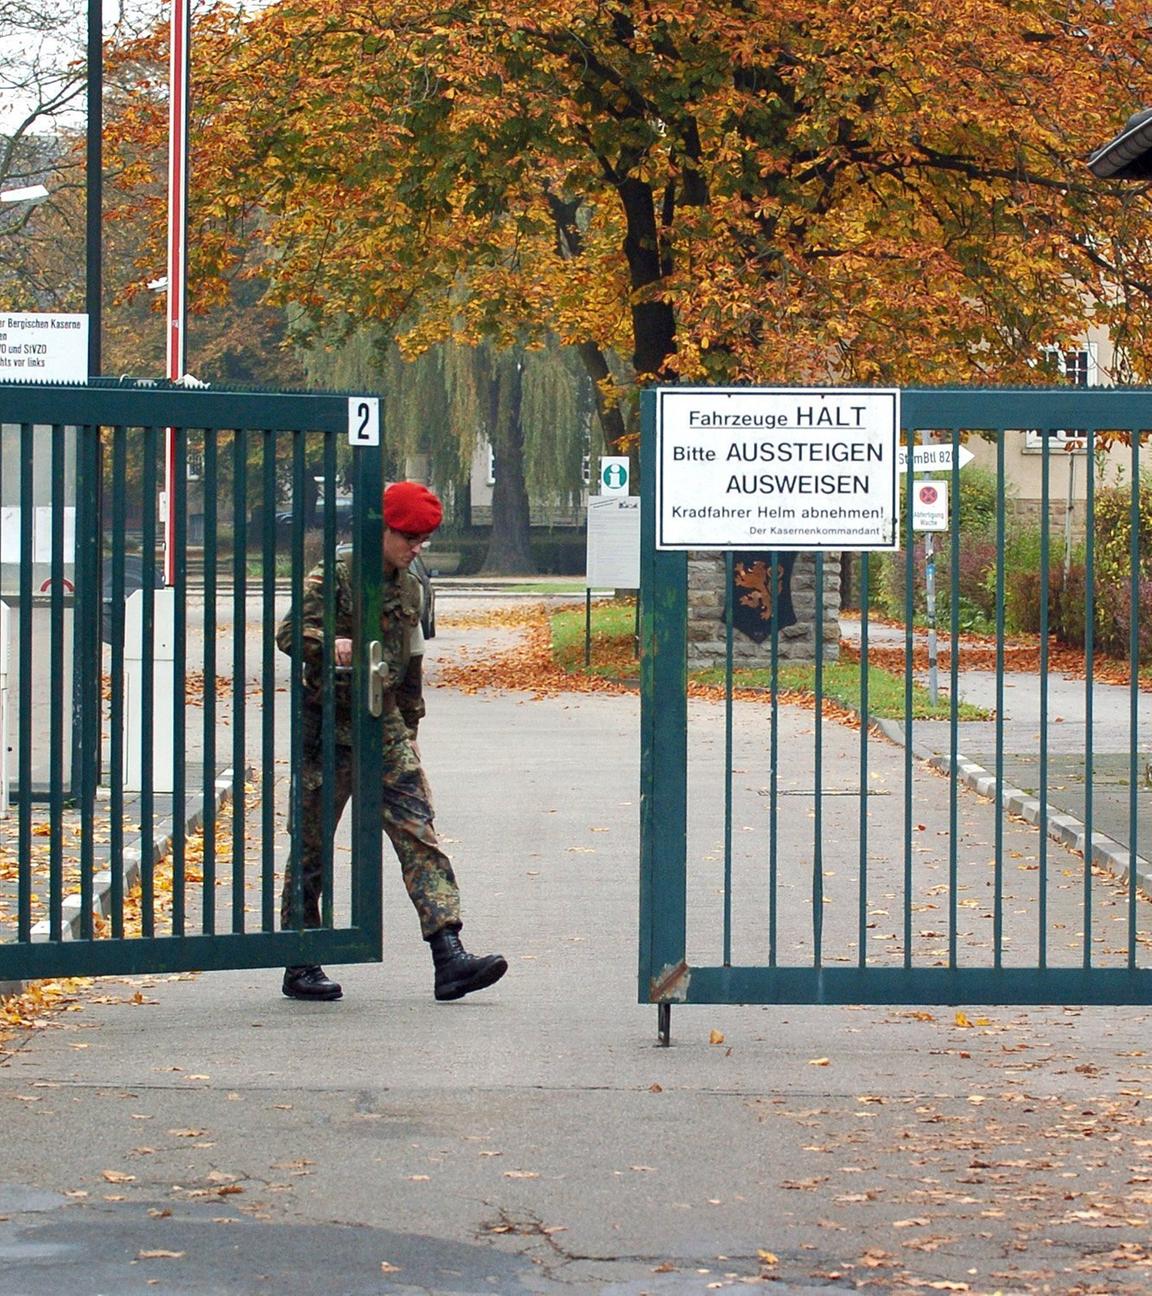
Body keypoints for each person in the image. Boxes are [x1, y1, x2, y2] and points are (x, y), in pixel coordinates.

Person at [277, 480, 507, 1003]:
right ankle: (300, 958)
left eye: (423, 538)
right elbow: (290, 633)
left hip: (385, 726)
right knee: (311, 844)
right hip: (327, 728)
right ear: (380, 528)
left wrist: (412, 731)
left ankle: (450, 956)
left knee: (418, 831)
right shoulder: (334, 575)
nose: (416, 546)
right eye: (408, 536)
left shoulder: (412, 586)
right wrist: (331, 642)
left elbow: (411, 663)